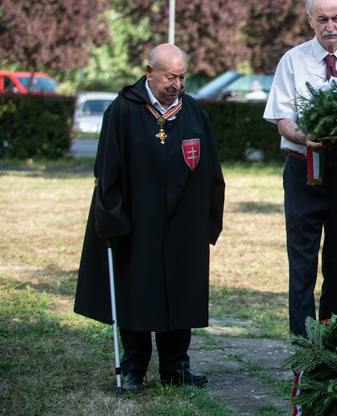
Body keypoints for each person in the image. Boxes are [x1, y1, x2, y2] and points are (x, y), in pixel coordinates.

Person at [73, 44, 225, 393]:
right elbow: (106, 172)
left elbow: (212, 171)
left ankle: (176, 367)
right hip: (136, 224)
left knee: (180, 293)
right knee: (136, 295)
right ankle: (133, 370)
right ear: (149, 72)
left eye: (183, 77)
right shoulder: (122, 112)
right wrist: (112, 221)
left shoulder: (194, 113)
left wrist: (207, 219)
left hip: (182, 224)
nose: (177, 84)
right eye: (170, 77)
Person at [263, 0, 337, 336]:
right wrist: (304, 137)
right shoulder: (292, 60)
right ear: (310, 21)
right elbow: (282, 119)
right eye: (322, 19)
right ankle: (304, 346)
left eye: (336, 18)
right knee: (302, 263)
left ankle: (332, 341)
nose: (330, 26)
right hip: (303, 172)